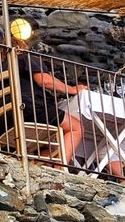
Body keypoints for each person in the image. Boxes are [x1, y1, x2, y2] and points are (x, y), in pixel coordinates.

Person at [12, 38, 87, 166]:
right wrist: (72, 89)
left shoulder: (0, 69)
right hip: (29, 109)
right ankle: (60, 169)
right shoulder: (25, 58)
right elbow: (45, 81)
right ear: (22, 46)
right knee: (76, 127)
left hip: (5, 121)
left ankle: (43, 168)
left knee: (48, 143)